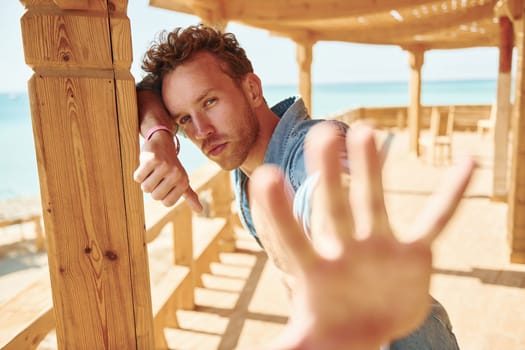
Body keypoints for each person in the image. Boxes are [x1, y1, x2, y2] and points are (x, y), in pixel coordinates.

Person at [133, 24, 471, 349]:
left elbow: (325, 187)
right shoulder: (247, 171)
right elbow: (144, 91)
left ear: (252, 90)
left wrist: (336, 235)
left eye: (210, 102)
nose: (201, 130)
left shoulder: (311, 147)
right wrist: (158, 136)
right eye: (184, 120)